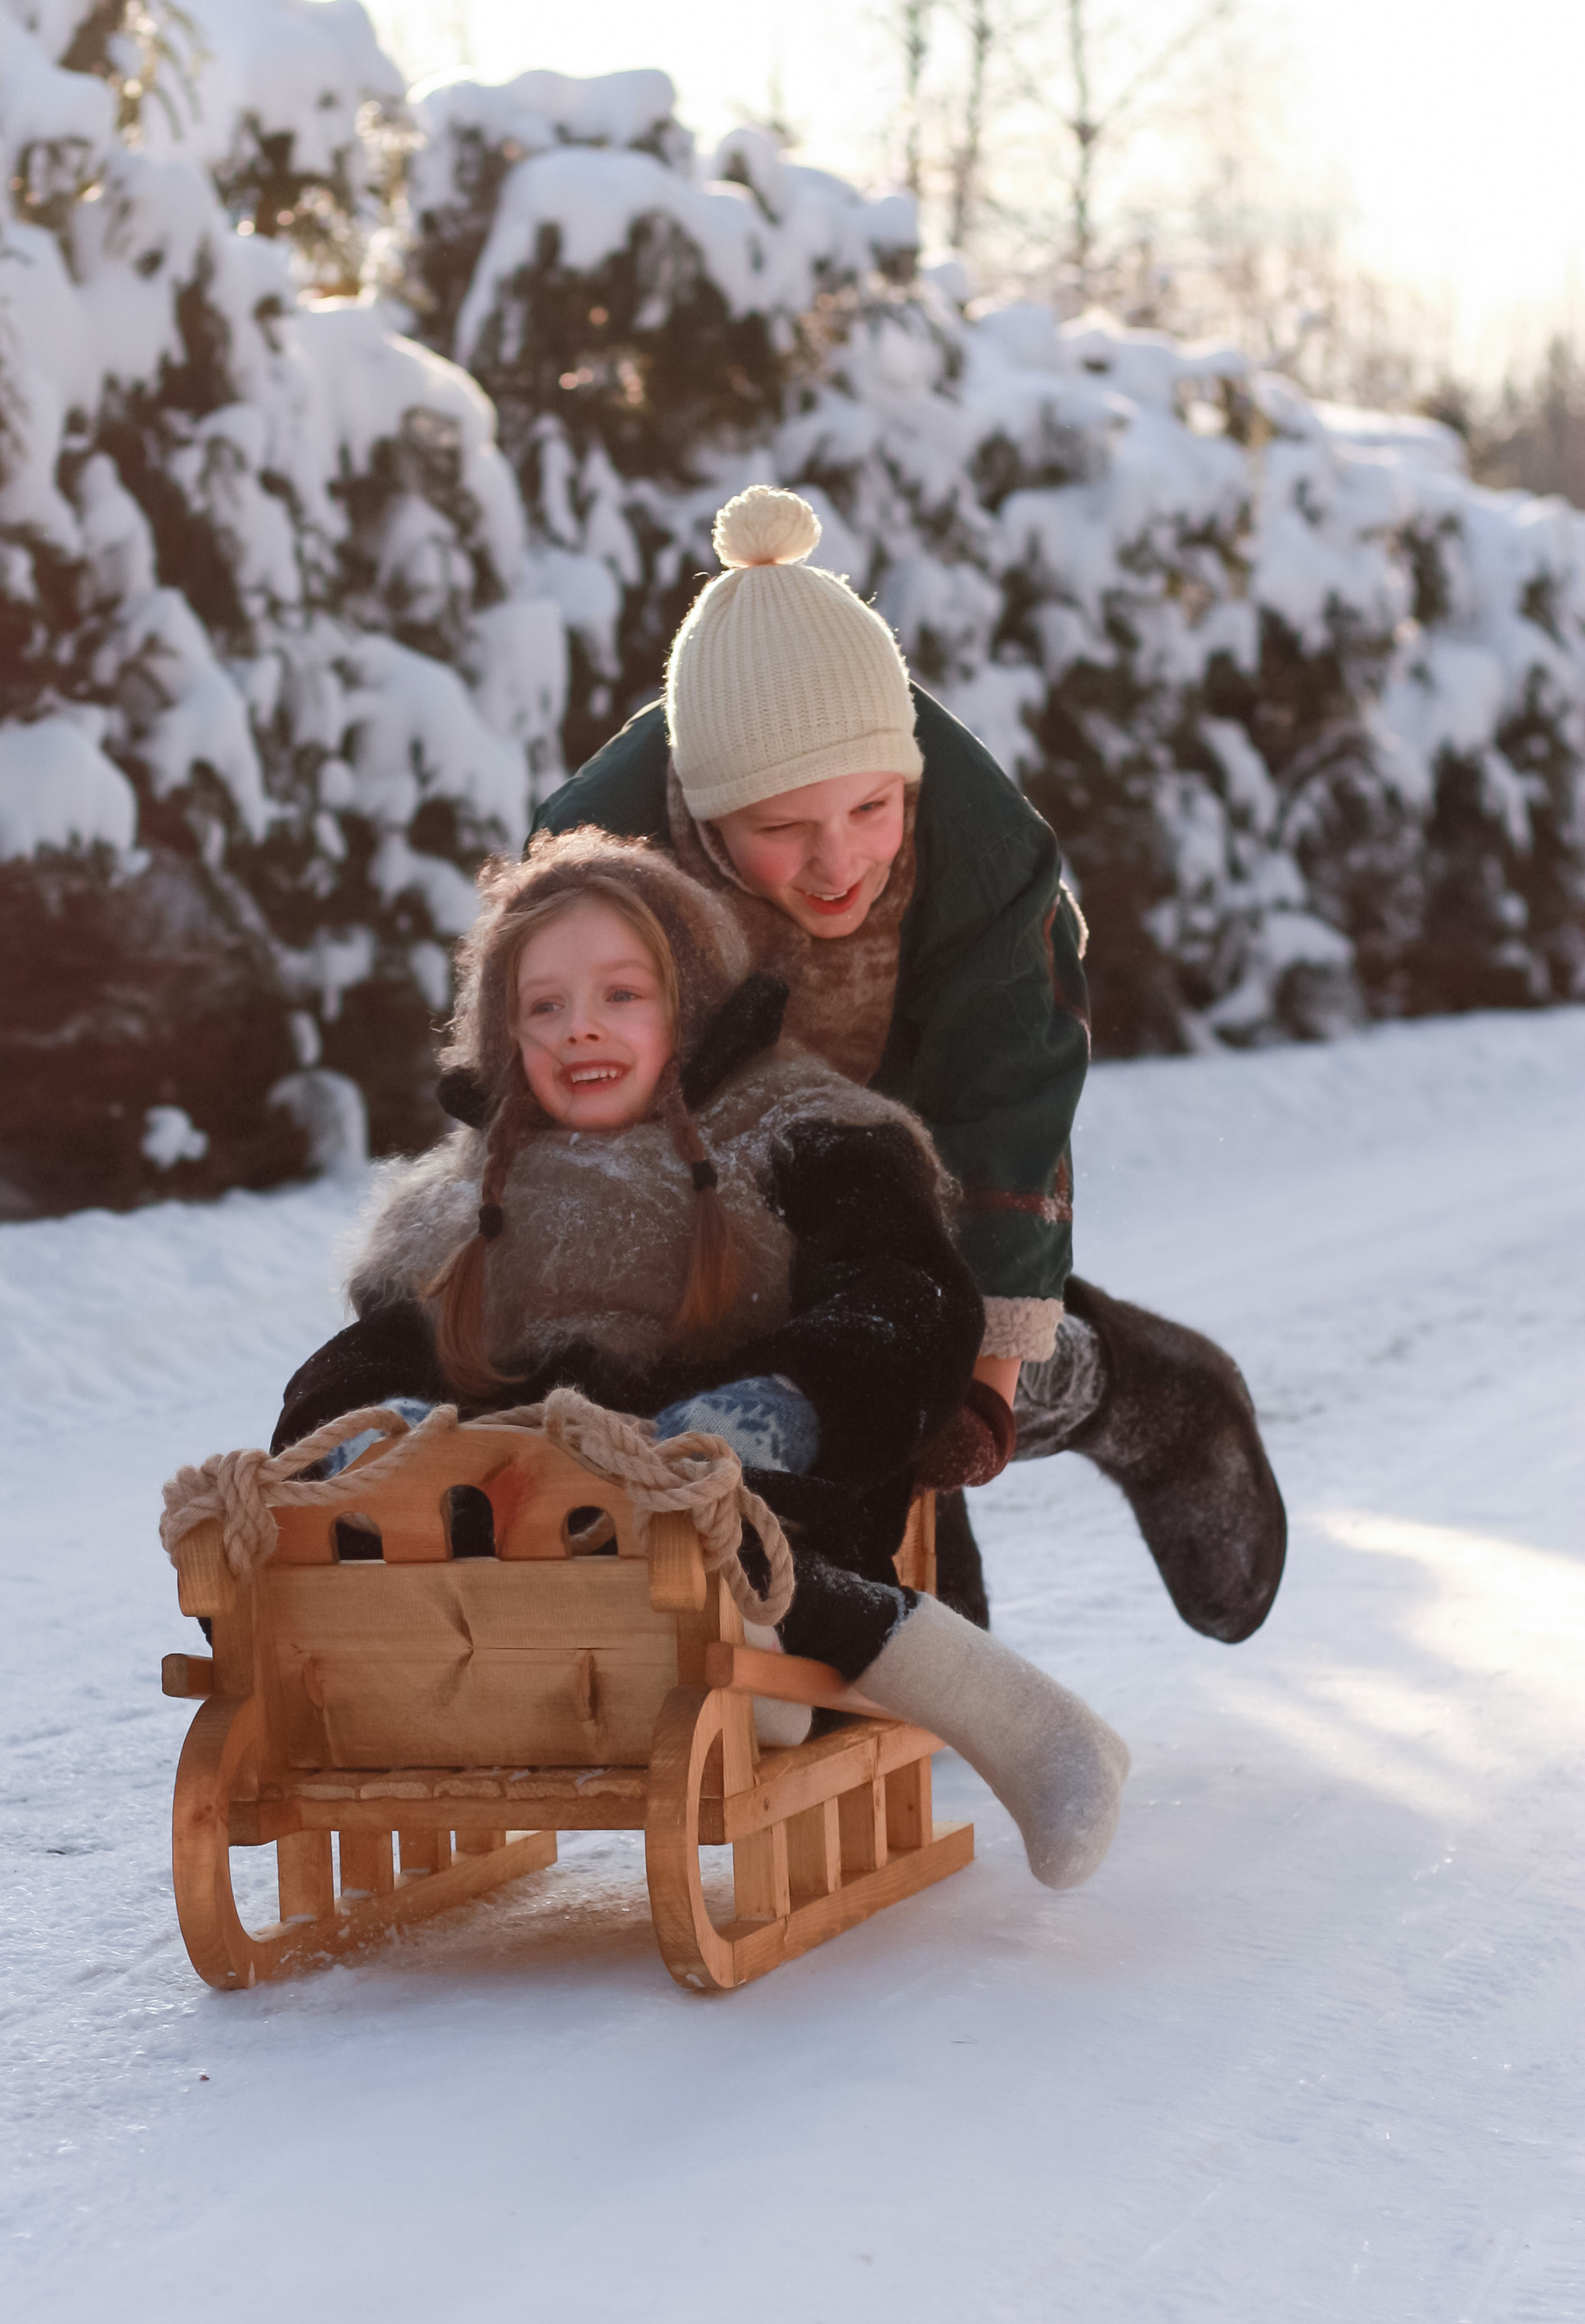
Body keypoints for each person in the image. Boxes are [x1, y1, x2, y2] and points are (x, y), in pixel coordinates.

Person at [272, 828, 1129, 1889]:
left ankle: (1025, 1726)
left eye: (621, 995)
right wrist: (356, 1436)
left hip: (752, 1499)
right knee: (388, 1465)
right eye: (544, 1007)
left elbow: (908, 1300)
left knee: (731, 1549)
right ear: (502, 1032)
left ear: (692, 998)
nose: (580, 1028)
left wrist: (781, 1403)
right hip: (517, 1534)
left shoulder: (799, 1131)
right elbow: (382, 1347)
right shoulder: (459, 1201)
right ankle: (532, 1667)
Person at [528, 483, 1289, 1646]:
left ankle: (1153, 1399)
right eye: (784, 828)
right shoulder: (594, 869)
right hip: (711, 1150)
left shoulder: (984, 857)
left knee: (926, 1360)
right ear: (708, 815)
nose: (840, 862)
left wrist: (982, 1391)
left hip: (919, 1130)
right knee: (750, 1347)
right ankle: (874, 1608)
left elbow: (1008, 1112)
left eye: (873, 809)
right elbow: (540, 1093)